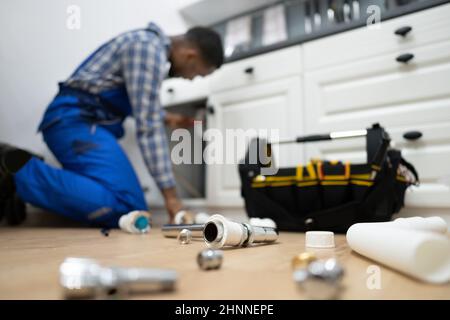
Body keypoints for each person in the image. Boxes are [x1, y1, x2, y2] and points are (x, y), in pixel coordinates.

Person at [0, 23, 224, 227]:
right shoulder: (147, 49)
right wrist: (172, 198)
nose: (191, 79)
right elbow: (148, 127)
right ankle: (16, 171)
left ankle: (24, 173)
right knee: (127, 206)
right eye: (197, 73)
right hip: (73, 121)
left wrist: (169, 118)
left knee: (130, 206)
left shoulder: (147, 45)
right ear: (190, 56)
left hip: (82, 122)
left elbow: (140, 105)